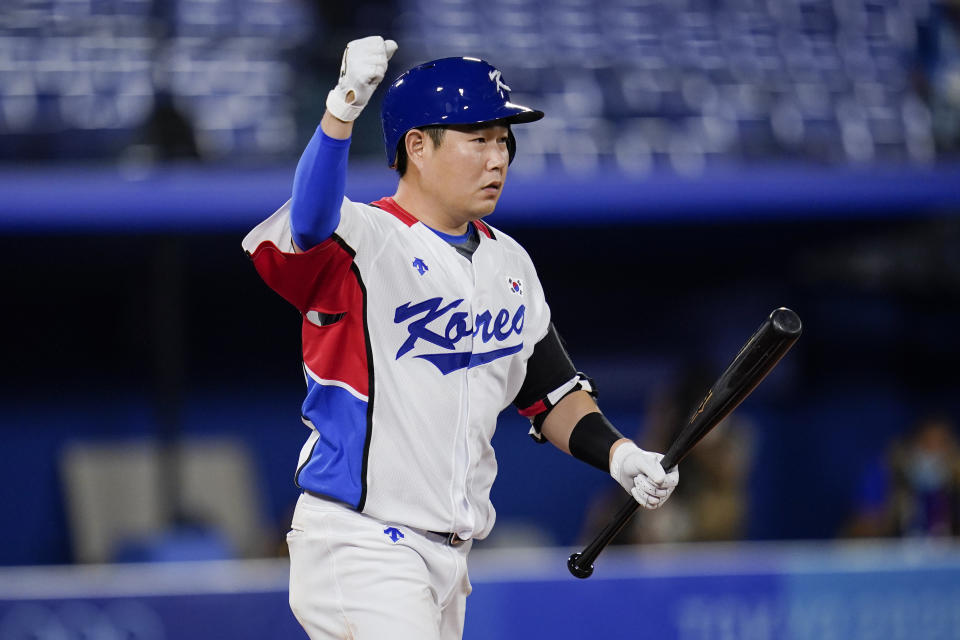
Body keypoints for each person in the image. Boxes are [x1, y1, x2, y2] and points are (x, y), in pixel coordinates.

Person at [242, 36, 680, 640]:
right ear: (417, 147)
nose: (498, 157)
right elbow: (311, 219)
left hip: (449, 556)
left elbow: (549, 390)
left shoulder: (511, 263)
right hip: (360, 540)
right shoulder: (362, 238)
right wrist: (341, 110)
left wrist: (621, 455)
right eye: (479, 139)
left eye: (504, 140)